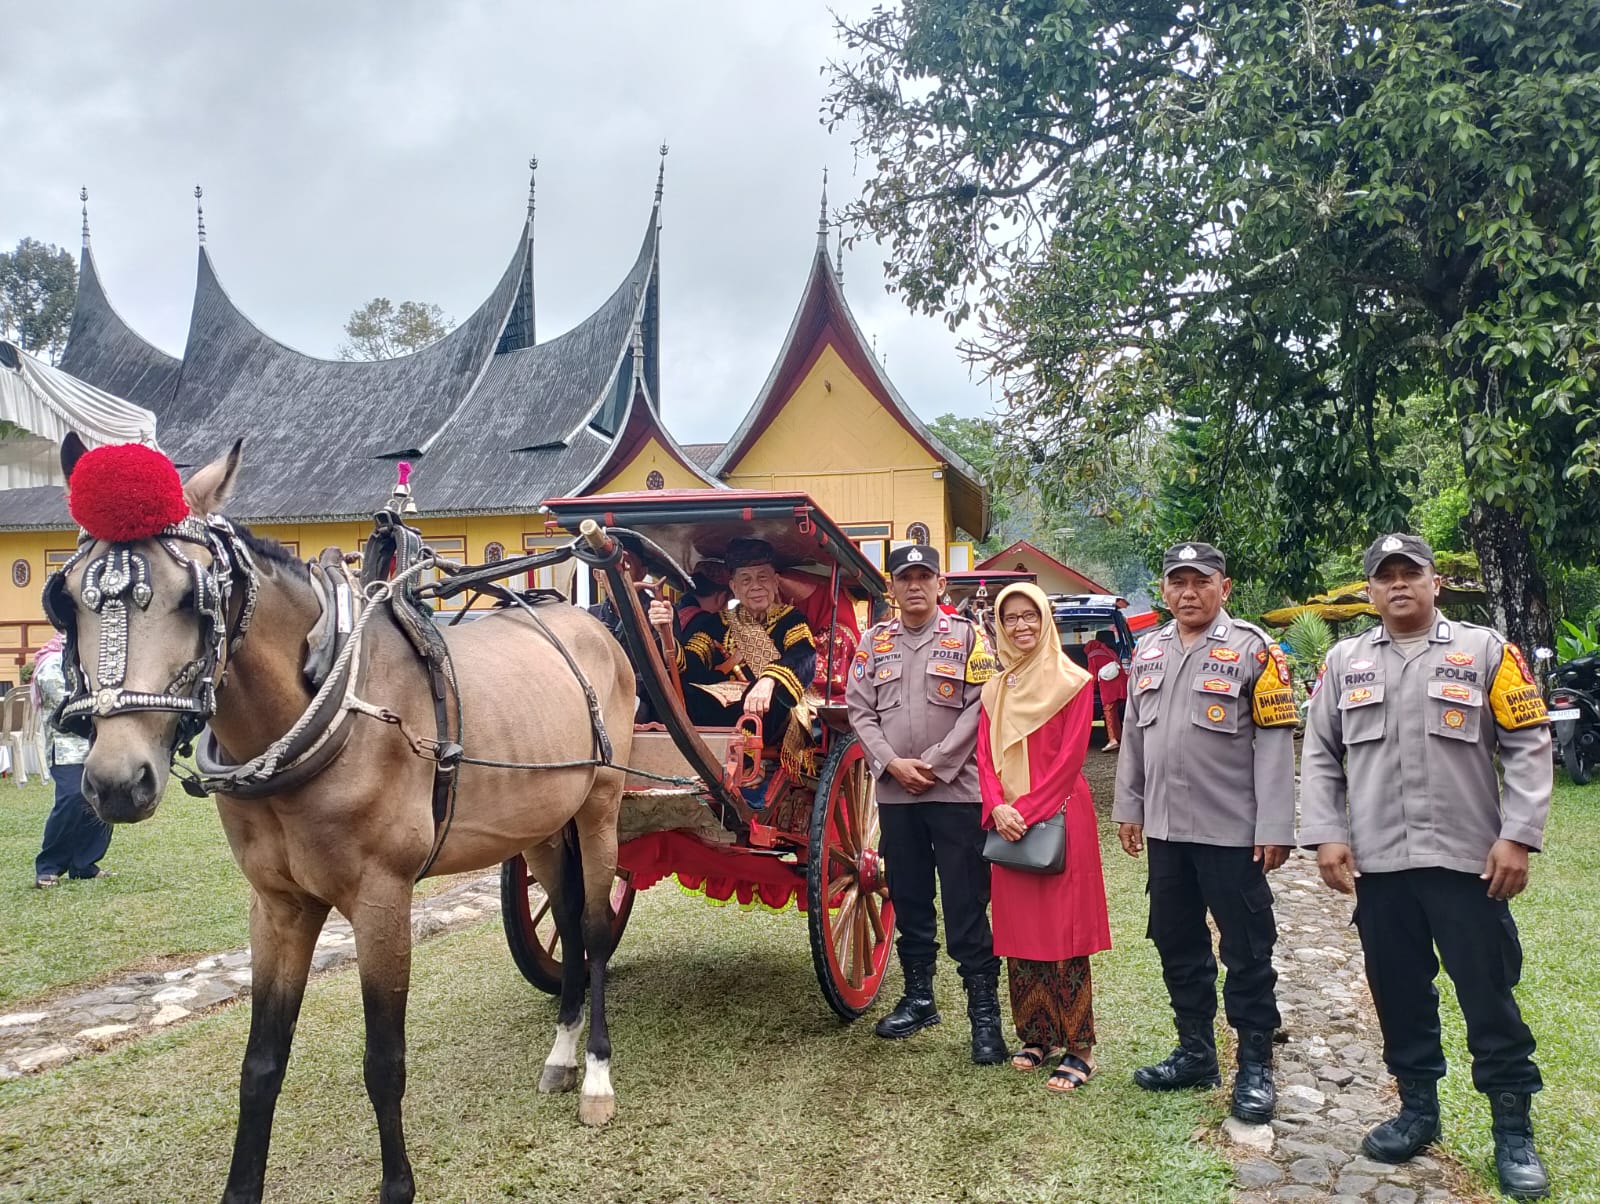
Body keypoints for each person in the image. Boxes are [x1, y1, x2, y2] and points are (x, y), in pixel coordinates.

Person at [1299, 533, 1552, 1199]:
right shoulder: (1344, 661)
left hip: (1468, 864)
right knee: (1399, 993)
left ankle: (1513, 1130)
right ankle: (1417, 1110)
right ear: (1370, 592)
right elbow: (1321, 754)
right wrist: (1326, 832)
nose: (1400, 584)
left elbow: (1528, 743)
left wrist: (1519, 837)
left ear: (1435, 582)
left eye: (1412, 572)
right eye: (1386, 576)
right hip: (1381, 867)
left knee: (1487, 995)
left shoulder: (1485, 651)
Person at [1112, 541, 1298, 1124]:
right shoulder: (1148, 651)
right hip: (1167, 830)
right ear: (1164, 590)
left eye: (1201, 581)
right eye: (1177, 582)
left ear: (1225, 586)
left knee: (1246, 948)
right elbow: (1135, 738)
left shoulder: (1255, 651)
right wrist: (1129, 807)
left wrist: (1274, 825)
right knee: (1176, 940)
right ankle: (1195, 1052)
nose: (1188, 592)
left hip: (1232, 831)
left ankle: (1255, 1066)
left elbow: (1274, 744)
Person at [845, 544, 1005, 1063]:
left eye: (924, 576)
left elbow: (980, 704)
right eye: (904, 577)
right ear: (891, 588)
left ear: (941, 584)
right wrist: (891, 763)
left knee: (965, 901)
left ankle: (984, 1016)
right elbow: (859, 709)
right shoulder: (873, 643)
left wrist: (933, 763)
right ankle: (919, 998)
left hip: (954, 792)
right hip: (896, 794)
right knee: (909, 898)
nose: (914, 585)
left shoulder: (969, 639)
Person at [977, 584, 1112, 1092]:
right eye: (1009, 618)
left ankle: (1080, 1048)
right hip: (1009, 818)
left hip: (1057, 816)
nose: (1020, 627)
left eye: (1029, 616)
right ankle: (1036, 1035)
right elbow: (984, 759)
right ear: (999, 625)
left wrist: (1025, 811)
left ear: (1044, 620)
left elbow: (1071, 759)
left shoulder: (1073, 682)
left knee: (1063, 935)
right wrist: (996, 806)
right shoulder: (996, 688)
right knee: (1019, 935)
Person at [648, 538, 816, 807]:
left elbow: (803, 656)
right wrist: (665, 632)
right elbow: (691, 663)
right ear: (734, 587)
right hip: (722, 706)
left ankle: (749, 769)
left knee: (763, 698)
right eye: (746, 580)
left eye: (762, 577)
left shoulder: (791, 620)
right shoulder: (717, 622)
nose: (756, 586)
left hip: (770, 707)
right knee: (670, 695)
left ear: (775, 581)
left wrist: (769, 680)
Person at [31, 633, 112, 887]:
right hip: (67, 746)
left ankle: (84, 864)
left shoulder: (94, 660)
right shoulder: (52, 662)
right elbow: (63, 705)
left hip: (100, 743)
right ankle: (49, 865)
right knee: (71, 798)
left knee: (105, 797)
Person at [1084, 629, 1126, 750]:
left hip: (1108, 687)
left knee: (1108, 711)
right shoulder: (1110, 651)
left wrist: (1090, 691)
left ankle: (1113, 740)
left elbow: (1092, 674)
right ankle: (1120, 737)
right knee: (1116, 713)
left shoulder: (1092, 655)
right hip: (1121, 683)